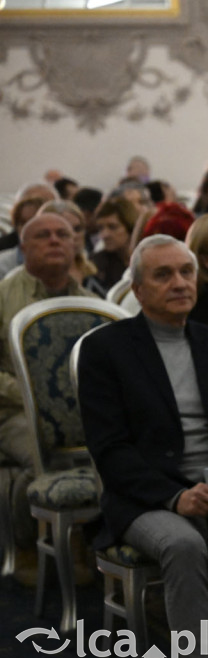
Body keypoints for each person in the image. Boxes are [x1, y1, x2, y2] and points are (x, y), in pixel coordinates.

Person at [78, 235, 208, 658]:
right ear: (137, 290)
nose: (179, 282)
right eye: (163, 275)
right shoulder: (106, 350)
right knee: (183, 544)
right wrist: (174, 498)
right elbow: (110, 451)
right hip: (146, 493)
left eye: (186, 271)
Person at [0, 213, 98, 549]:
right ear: (23, 248)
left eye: (63, 234)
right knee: (44, 455)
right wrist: (34, 398)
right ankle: (26, 547)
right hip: (14, 412)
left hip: (82, 411)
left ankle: (95, 542)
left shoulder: (91, 305)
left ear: (75, 246)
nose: (55, 240)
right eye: (43, 235)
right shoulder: (3, 296)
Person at [89, 197, 138, 291]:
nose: (104, 235)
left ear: (129, 227)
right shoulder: (97, 264)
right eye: (101, 228)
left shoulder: (146, 259)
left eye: (112, 227)